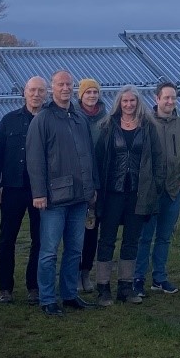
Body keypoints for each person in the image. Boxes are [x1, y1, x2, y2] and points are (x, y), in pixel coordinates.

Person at [26, 70, 98, 317]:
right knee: (48, 251)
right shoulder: (43, 119)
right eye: (60, 84)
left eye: (69, 84)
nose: (65, 88)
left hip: (80, 197)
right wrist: (39, 193)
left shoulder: (79, 118)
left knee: (74, 249)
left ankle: (69, 294)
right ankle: (47, 298)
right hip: (54, 198)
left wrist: (92, 188)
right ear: (52, 89)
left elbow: (89, 156)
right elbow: (34, 159)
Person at [92, 85, 163, 306]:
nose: (129, 105)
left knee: (132, 240)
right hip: (112, 192)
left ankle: (125, 286)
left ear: (138, 103)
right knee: (107, 239)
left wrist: (155, 187)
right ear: (119, 104)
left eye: (132, 101)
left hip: (137, 193)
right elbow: (99, 159)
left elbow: (158, 160)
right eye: (125, 101)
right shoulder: (107, 127)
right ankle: (103, 286)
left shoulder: (149, 127)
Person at [0, 76, 47, 305]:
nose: (36, 94)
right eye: (32, 90)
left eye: (40, 91)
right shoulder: (9, 120)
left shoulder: (49, 120)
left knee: (40, 240)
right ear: (24, 93)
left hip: (40, 190)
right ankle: (5, 288)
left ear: (46, 94)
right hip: (12, 188)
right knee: (7, 239)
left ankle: (34, 286)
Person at [135, 82, 180, 297]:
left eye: (173, 98)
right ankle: (138, 278)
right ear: (157, 99)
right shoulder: (145, 123)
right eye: (166, 98)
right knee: (145, 237)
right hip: (150, 191)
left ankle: (159, 277)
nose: (170, 101)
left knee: (164, 237)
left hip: (173, 190)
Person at [75, 77, 107, 293]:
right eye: (88, 93)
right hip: (78, 182)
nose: (92, 96)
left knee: (91, 230)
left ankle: (86, 272)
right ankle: (74, 273)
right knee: (75, 231)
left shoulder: (107, 119)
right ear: (81, 96)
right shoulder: (73, 117)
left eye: (95, 92)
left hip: (100, 182)